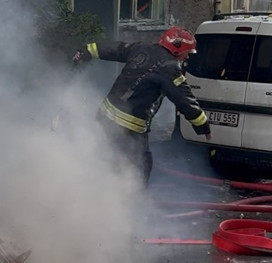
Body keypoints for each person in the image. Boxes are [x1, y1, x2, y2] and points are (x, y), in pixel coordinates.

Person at [73, 26, 211, 183]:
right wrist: (203, 125)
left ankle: (88, 190)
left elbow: (116, 49)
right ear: (178, 50)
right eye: (187, 53)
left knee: (101, 158)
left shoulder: (142, 48)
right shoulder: (170, 68)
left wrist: (87, 50)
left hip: (104, 117)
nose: (186, 58)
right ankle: (127, 201)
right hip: (130, 129)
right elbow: (185, 100)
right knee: (138, 170)